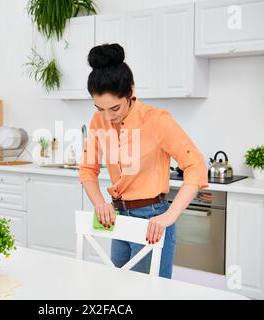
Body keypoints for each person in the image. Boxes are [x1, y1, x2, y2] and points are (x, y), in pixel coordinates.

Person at [79, 43, 209, 278]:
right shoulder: (99, 120)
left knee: (148, 294)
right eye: (100, 108)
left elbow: (196, 166)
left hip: (151, 219)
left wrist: (168, 217)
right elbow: (88, 169)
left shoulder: (157, 120)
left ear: (130, 92)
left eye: (114, 107)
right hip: (117, 218)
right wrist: (100, 203)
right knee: (119, 291)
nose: (108, 116)